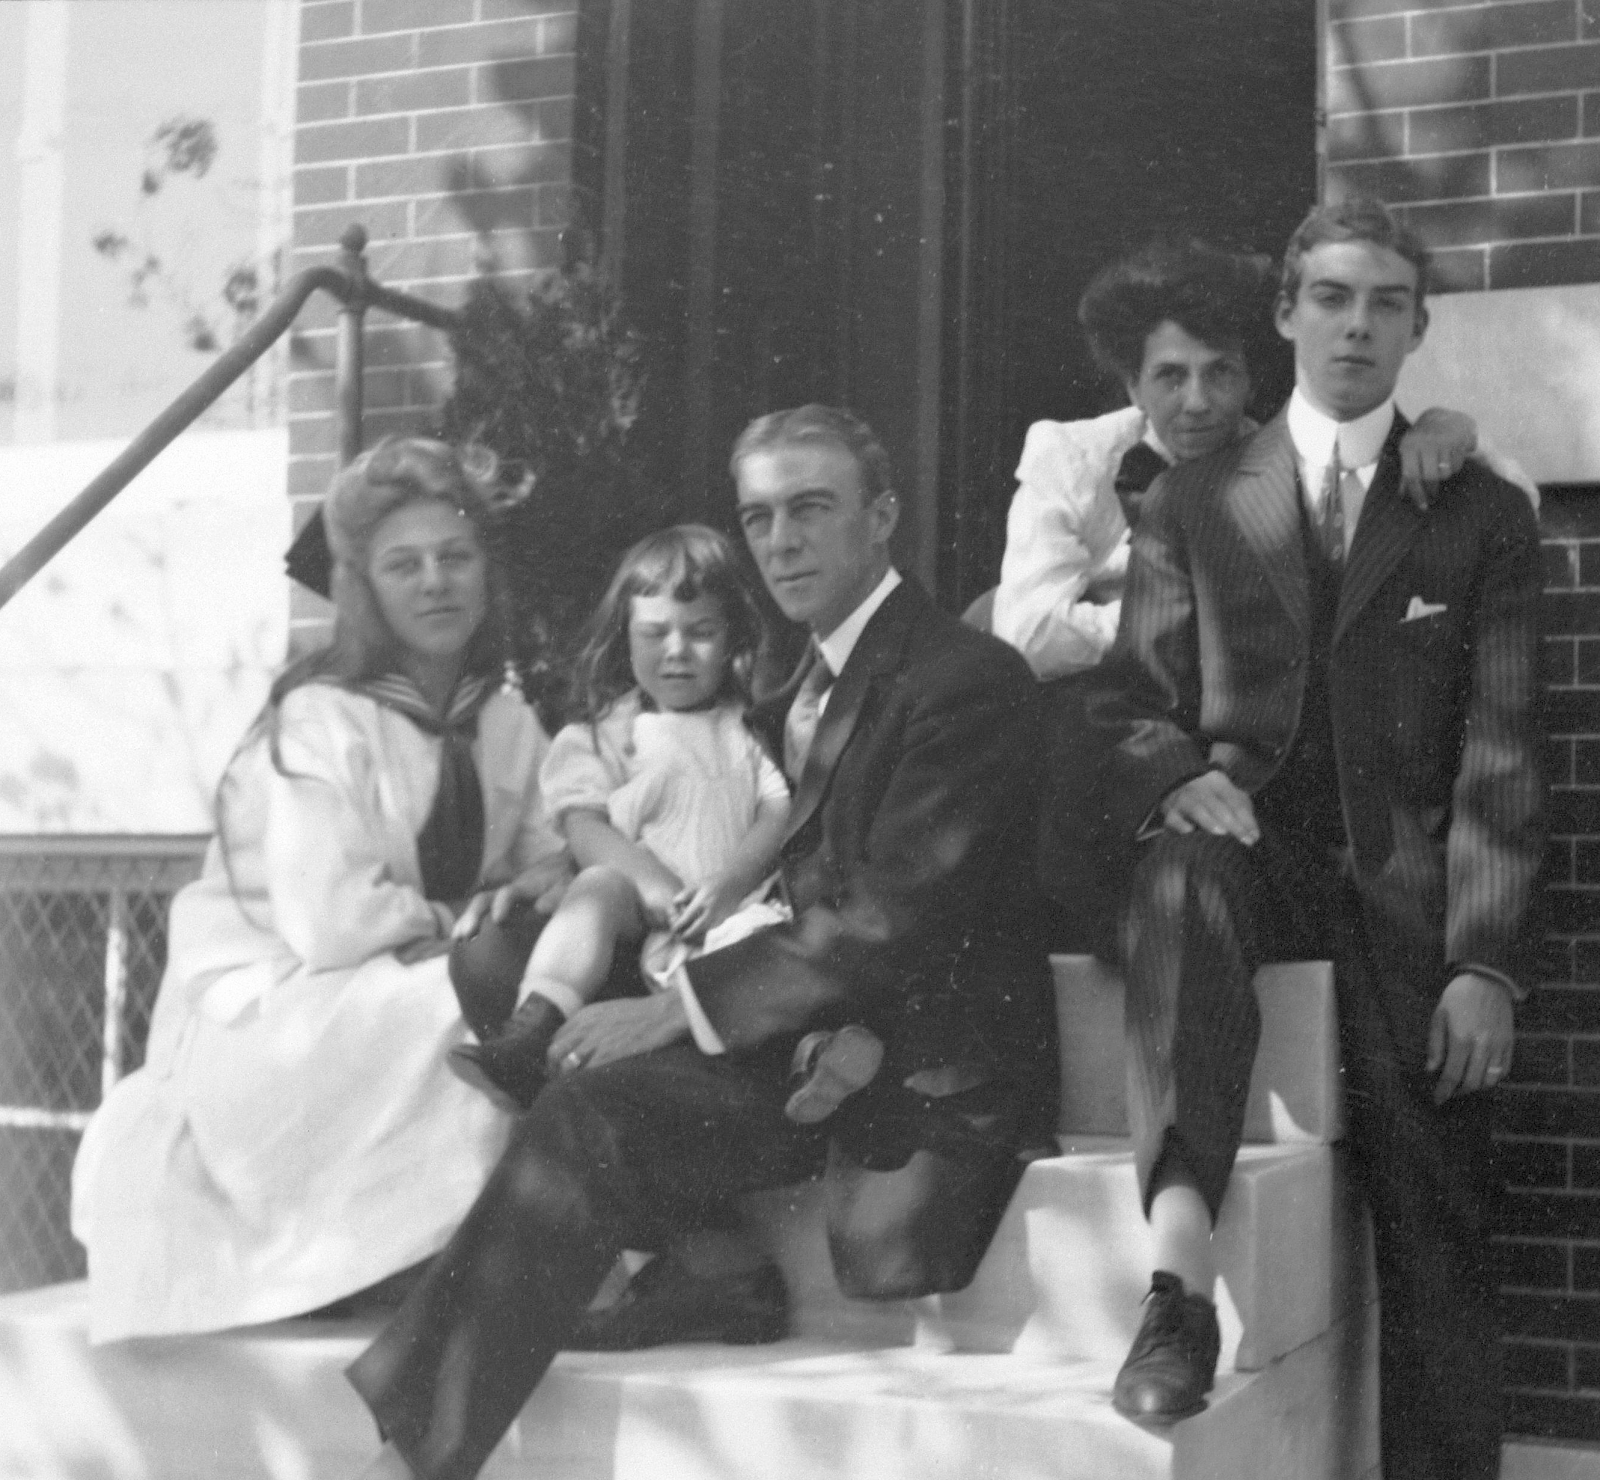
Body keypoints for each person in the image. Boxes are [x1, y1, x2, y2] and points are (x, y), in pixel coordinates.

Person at [344, 405, 1058, 1480]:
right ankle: (709, 1256)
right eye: (759, 516)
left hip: (886, 1051)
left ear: (882, 517)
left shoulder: (962, 677)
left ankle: (412, 1461)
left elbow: (888, 921)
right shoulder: (791, 684)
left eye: (810, 508)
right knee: (498, 959)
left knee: (588, 1107)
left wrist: (677, 1009)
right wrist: (554, 879)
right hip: (786, 1010)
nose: (781, 541)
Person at [1079, 199, 1544, 1480]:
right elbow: (1130, 704)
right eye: (1331, 297)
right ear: (1285, 312)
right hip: (1254, 861)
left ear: (1417, 328)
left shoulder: (1479, 512)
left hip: (1408, 898)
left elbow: (1503, 749)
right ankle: (1177, 1293)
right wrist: (1177, 773)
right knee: (1179, 876)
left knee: (1438, 1225)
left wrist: (1485, 962)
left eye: (1386, 303)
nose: (1355, 326)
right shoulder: (1192, 500)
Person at [69, 438, 572, 1342]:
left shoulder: (504, 721)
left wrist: (540, 881)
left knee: (527, 985)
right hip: (281, 1001)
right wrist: (470, 919)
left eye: (455, 557)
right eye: (404, 565)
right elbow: (333, 919)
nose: (436, 583)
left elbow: (548, 856)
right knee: (480, 997)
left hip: (404, 971)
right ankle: (402, 1254)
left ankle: (465, 1250)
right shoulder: (318, 717)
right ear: (364, 587)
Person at [992, 239, 1536, 682]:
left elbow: (1520, 503)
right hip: (1115, 725)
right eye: (1171, 376)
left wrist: (1451, 432)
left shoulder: (1284, 458)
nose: (1197, 402)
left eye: (1220, 372)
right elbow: (1031, 636)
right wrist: (1189, 612)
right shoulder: (1073, 457)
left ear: (1250, 379)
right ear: (1133, 386)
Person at [447, 524, 792, 1114]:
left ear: (733, 637)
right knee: (596, 887)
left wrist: (732, 883)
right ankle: (533, 1027)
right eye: (655, 633)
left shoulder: (746, 728)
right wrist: (648, 882)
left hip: (730, 910)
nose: (676, 650)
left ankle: (805, 1061)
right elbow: (583, 825)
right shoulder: (608, 733)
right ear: (625, 637)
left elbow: (775, 809)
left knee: (766, 946)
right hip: (643, 913)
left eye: (701, 632)